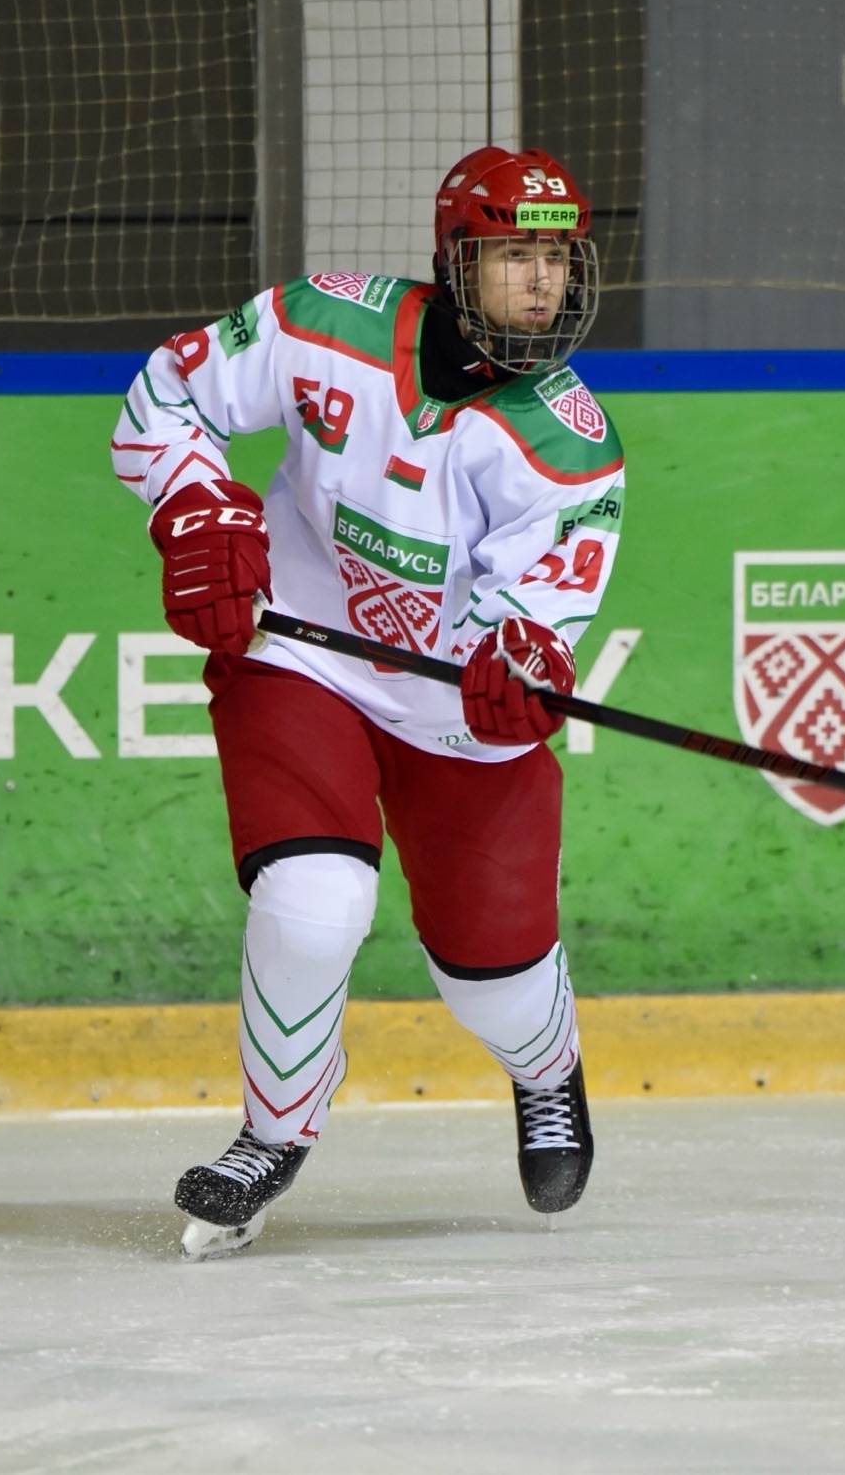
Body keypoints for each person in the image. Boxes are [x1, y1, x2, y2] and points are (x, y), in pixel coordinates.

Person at [110, 146, 623, 1258]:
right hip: (303, 660)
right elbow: (168, 395)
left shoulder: (569, 443)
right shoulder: (323, 322)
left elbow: (539, 606)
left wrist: (519, 663)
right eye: (515, 255)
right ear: (455, 260)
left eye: (558, 257)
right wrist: (194, 507)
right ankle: (270, 1137)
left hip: (450, 714)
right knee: (312, 902)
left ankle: (547, 1071)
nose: (543, 280)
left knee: (492, 982)